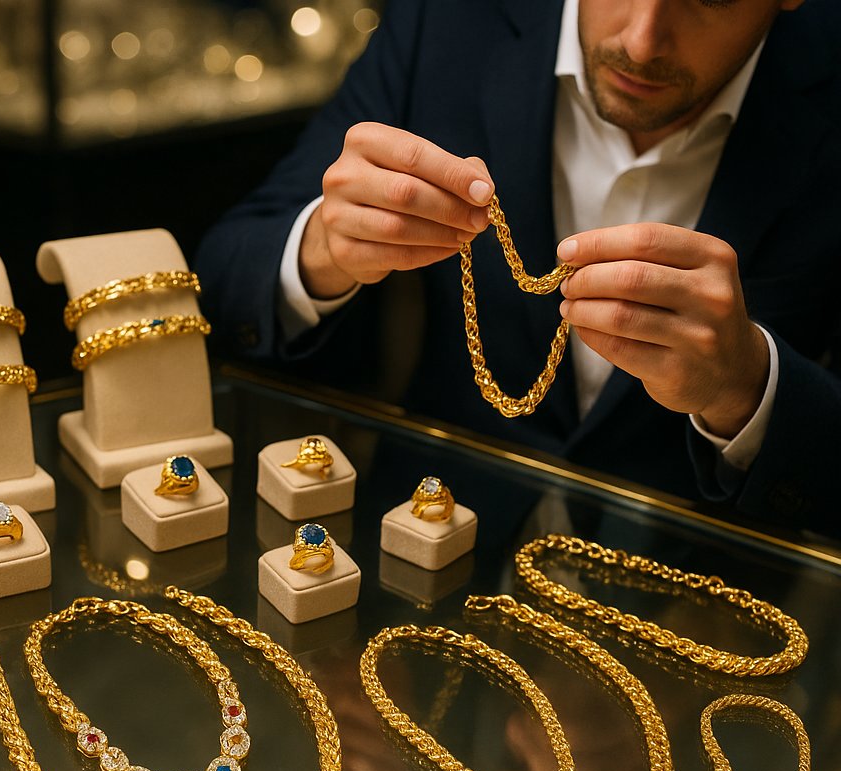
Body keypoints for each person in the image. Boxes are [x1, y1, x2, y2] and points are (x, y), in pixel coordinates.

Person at [194, 0, 841, 540]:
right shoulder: (450, 19)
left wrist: (748, 389)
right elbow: (223, 279)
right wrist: (322, 251)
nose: (643, 44)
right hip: (421, 546)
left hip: (699, 603)